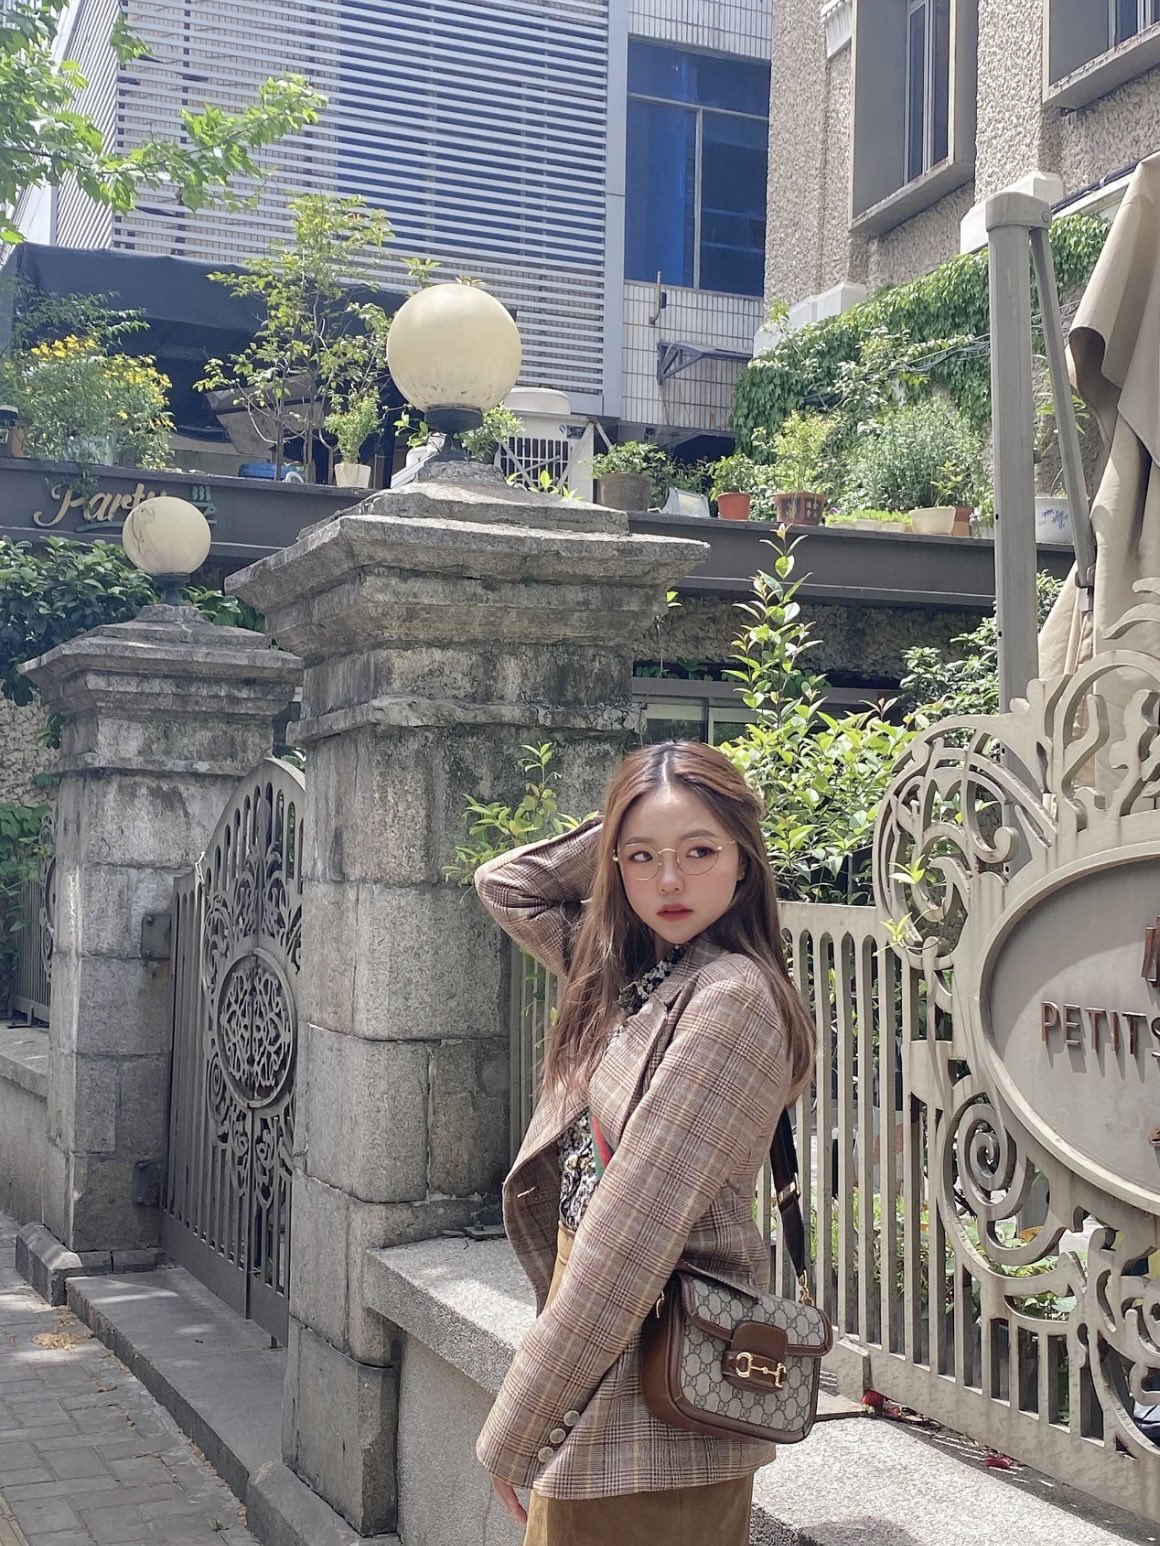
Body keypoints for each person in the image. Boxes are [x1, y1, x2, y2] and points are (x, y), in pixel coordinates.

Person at [474, 740, 816, 1544]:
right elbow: (509, 885)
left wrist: (517, 1427)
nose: (669, 882)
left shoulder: (730, 999)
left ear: (744, 860)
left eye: (700, 853)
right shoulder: (632, 971)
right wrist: (642, 804)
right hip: (605, 1376)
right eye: (642, 859)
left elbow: (630, 1236)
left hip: (655, 1400)